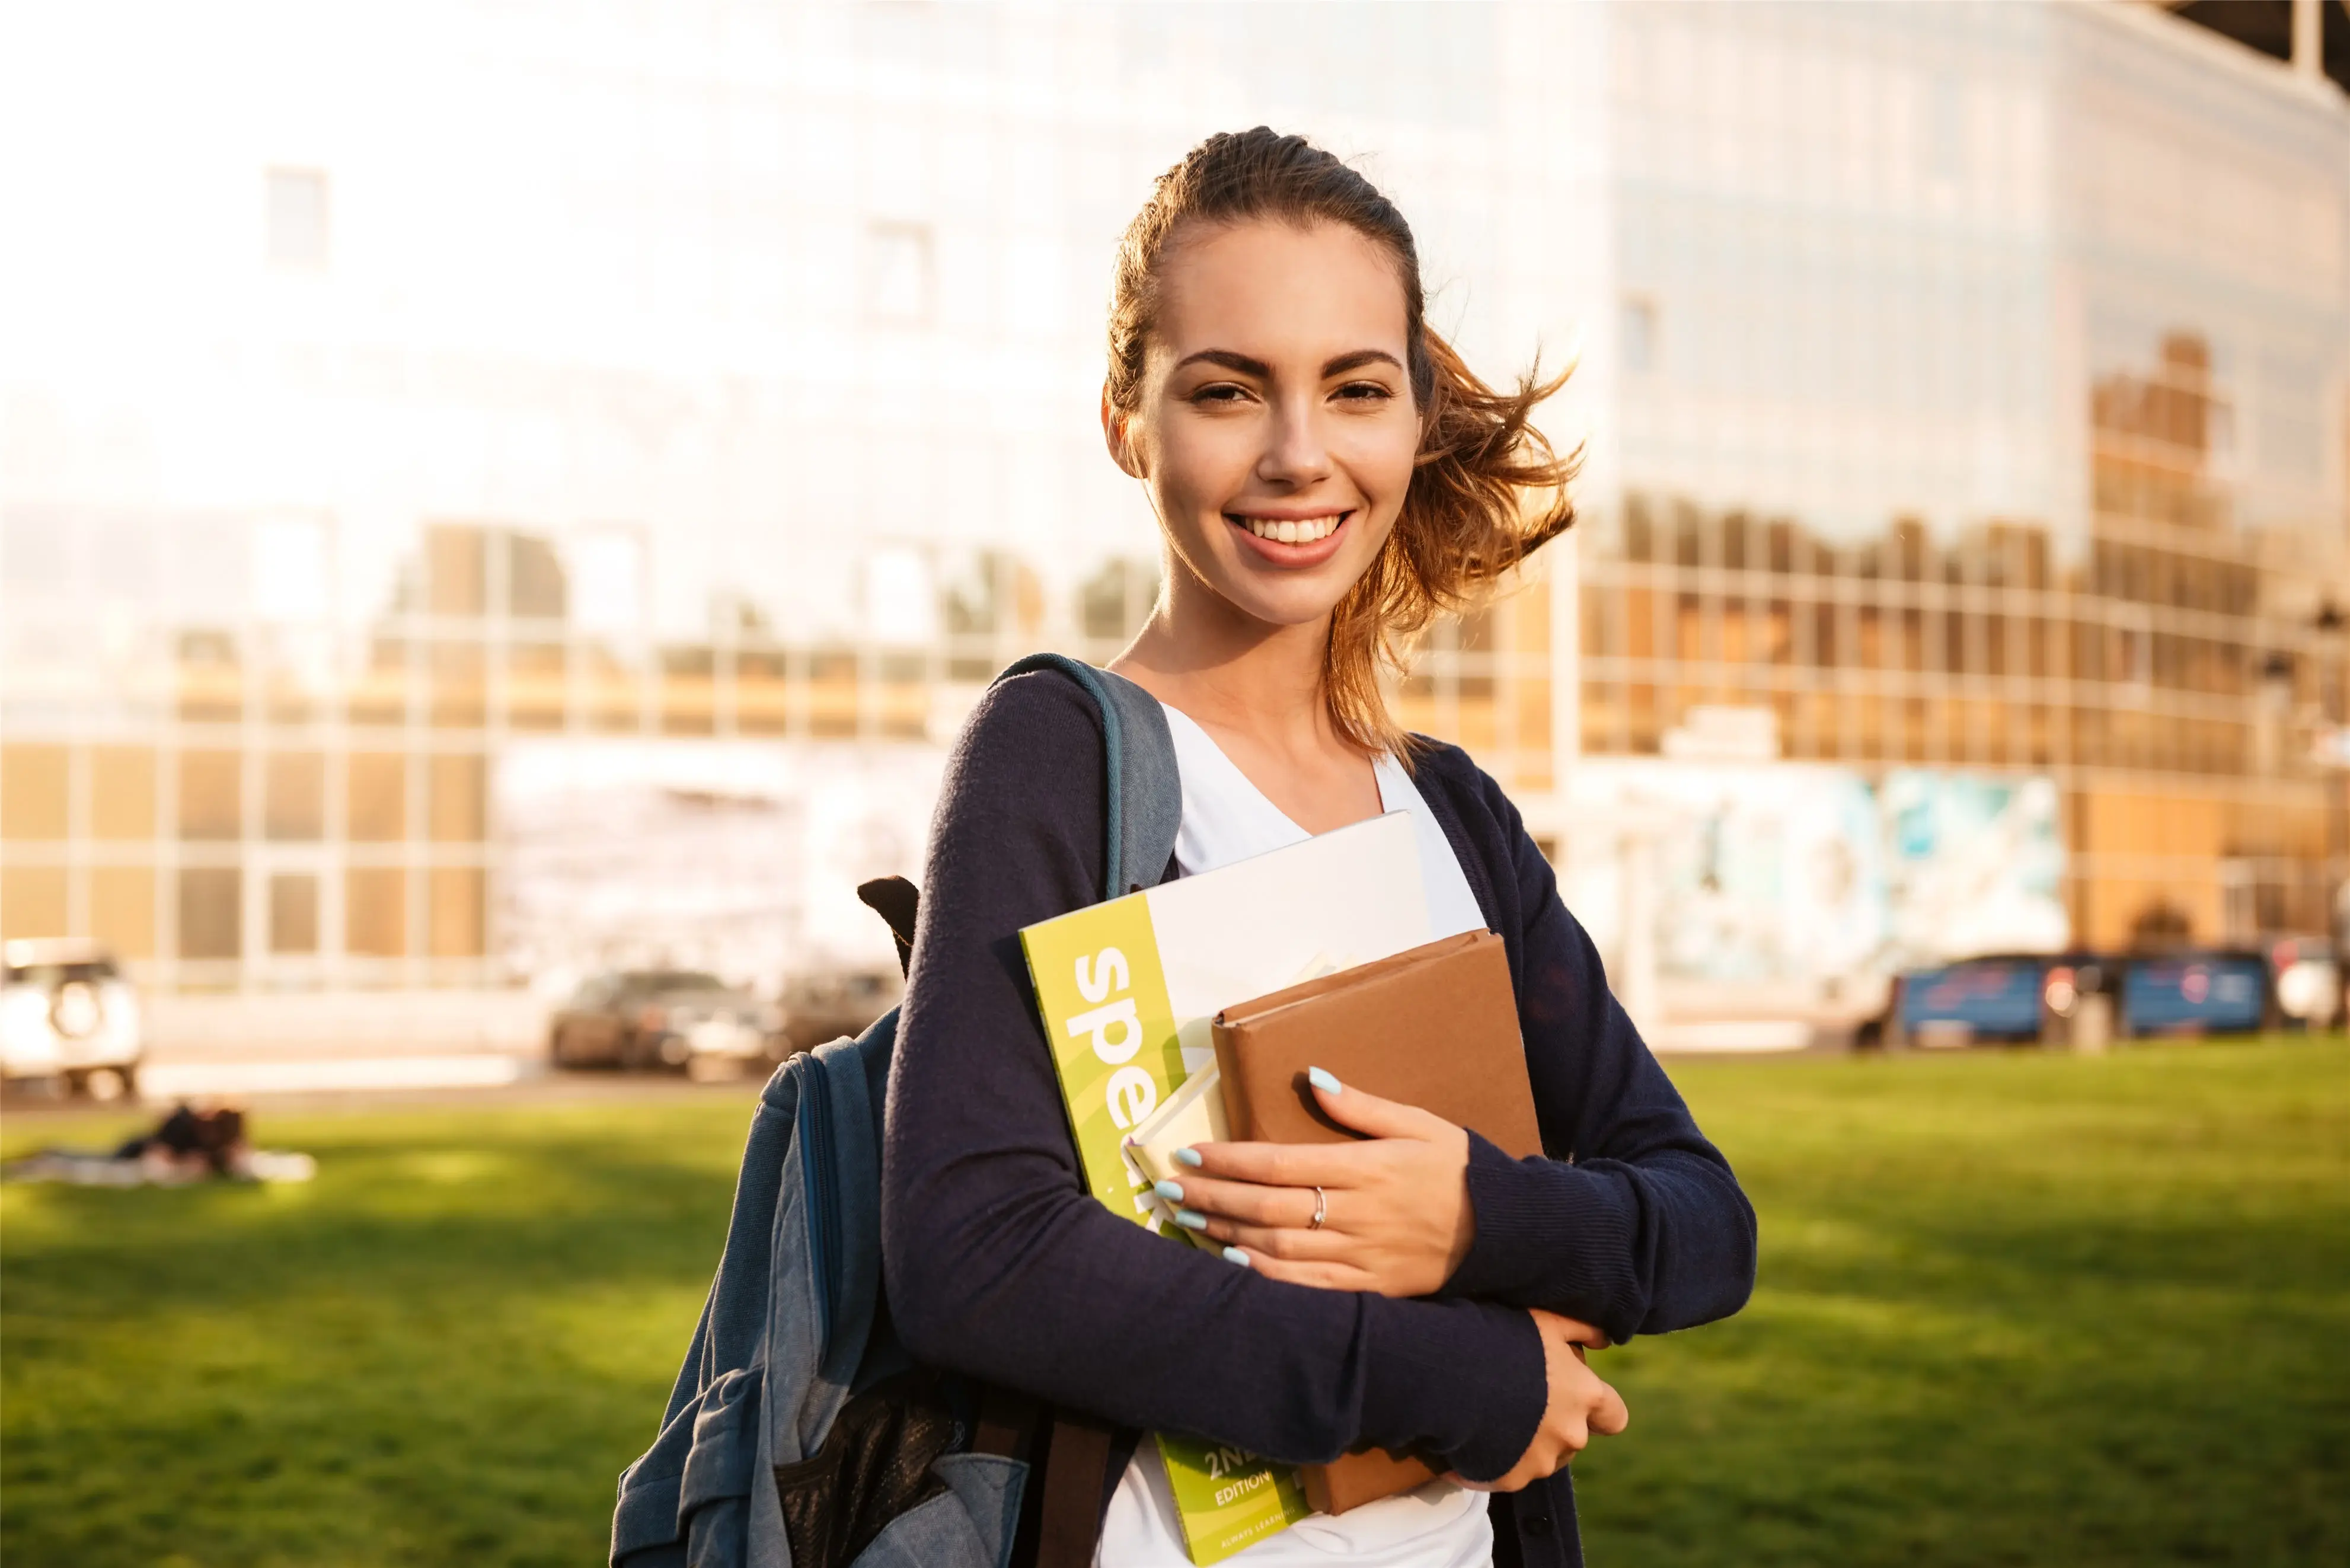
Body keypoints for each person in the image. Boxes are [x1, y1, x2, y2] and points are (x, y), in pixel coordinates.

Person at [882, 128, 1755, 1568]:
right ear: (1126, 419)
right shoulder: (1061, 756)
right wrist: (1459, 1380)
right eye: (1227, 390)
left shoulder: (1456, 816)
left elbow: (1699, 1220)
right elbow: (976, 1253)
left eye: (1354, 388)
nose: (1298, 453)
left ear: (1412, 416)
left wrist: (1468, 1214)